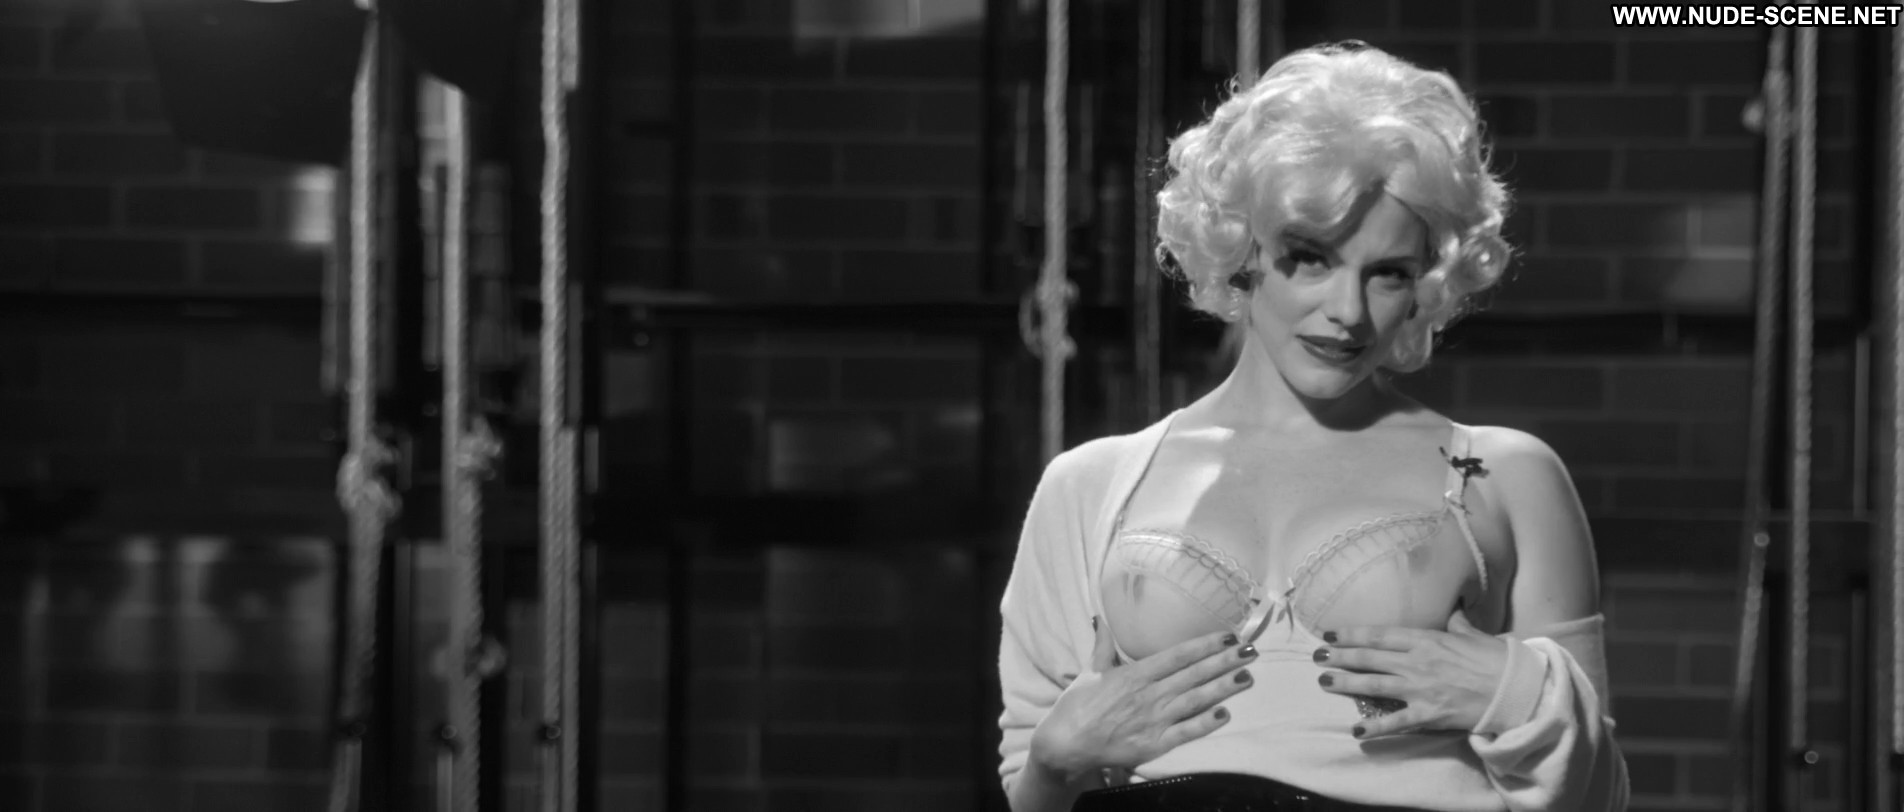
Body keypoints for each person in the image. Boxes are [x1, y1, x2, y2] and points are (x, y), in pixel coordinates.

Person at [996, 43, 1628, 812]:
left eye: (1388, 272)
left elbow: (1597, 800)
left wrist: (1516, 693)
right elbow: (1032, 790)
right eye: (1311, 258)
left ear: (1428, 282)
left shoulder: (1506, 474)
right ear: (1240, 250)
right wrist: (1055, 761)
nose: (1349, 312)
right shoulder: (1091, 484)